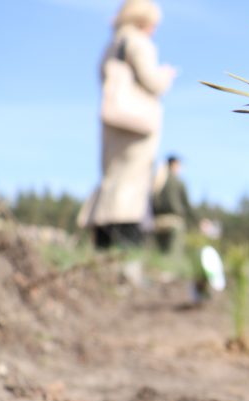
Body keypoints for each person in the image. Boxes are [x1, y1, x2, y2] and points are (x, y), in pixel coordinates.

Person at [87, 0, 176, 249]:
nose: (154, 30)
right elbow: (152, 81)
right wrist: (166, 76)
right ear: (141, 21)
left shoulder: (112, 44)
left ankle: (102, 239)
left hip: (114, 120)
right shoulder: (139, 43)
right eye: (152, 24)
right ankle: (127, 244)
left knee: (111, 178)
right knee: (133, 183)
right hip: (137, 124)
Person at [151, 154, 196, 253]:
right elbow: (187, 205)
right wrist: (197, 220)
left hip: (156, 222)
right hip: (174, 222)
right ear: (174, 164)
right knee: (173, 255)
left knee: (158, 253)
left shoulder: (157, 179)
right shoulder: (178, 182)